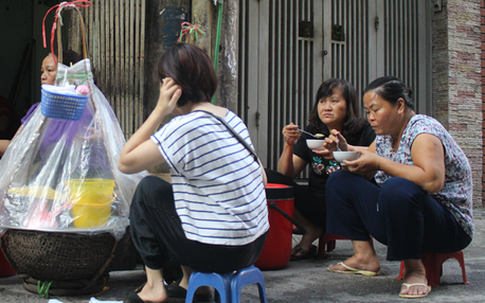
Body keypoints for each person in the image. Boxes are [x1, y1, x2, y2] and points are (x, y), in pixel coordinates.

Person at [117, 42, 269, 303]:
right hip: (253, 246)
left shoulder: (185, 126)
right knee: (181, 192)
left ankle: (155, 286)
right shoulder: (230, 118)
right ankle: (194, 284)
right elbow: (262, 178)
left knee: (147, 190)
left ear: (171, 87)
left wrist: (159, 111)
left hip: (219, 251)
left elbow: (126, 162)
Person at [325, 76, 473, 299]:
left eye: (376, 110)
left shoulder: (423, 131)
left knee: (396, 187)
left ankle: (415, 270)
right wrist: (341, 150)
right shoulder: (386, 135)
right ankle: (364, 256)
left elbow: (432, 181)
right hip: (405, 221)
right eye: (367, 112)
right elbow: (367, 160)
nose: (371, 118)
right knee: (340, 180)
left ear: (400, 105)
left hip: (448, 225)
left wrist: (379, 162)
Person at [265, 78, 375, 260]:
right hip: (318, 207)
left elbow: (376, 159)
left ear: (348, 106)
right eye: (322, 101)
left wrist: (343, 150)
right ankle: (310, 228)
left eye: (334, 101)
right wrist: (289, 144)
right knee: (269, 177)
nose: (327, 107)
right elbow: (287, 174)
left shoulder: (364, 131)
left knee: (338, 178)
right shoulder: (313, 131)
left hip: (350, 207)